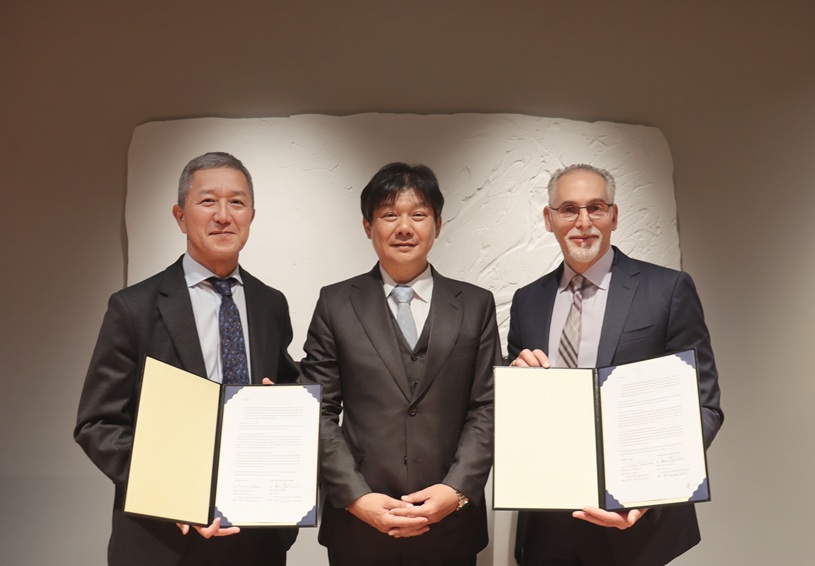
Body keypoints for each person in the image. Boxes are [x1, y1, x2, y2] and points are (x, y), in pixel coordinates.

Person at [74, 152, 299, 566]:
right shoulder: (133, 307)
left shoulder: (270, 304)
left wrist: (283, 405)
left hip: (256, 538)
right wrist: (171, 494)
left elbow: (287, 392)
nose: (223, 216)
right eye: (208, 201)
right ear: (180, 216)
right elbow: (98, 423)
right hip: (163, 538)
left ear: (251, 215)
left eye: (237, 202)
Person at [508, 164, 723, 566]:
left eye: (596, 207)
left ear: (614, 216)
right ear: (549, 219)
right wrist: (516, 385)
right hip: (546, 525)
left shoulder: (668, 289)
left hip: (635, 524)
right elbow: (517, 414)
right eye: (568, 209)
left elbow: (704, 406)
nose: (583, 222)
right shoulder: (527, 301)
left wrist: (651, 491)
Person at [301, 162, 502, 566]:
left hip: (451, 525)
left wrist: (456, 491)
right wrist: (356, 496)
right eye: (390, 215)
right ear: (368, 226)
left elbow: (487, 406)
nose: (405, 228)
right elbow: (317, 408)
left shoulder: (475, 305)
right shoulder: (335, 303)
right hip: (359, 525)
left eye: (418, 214)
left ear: (438, 225)